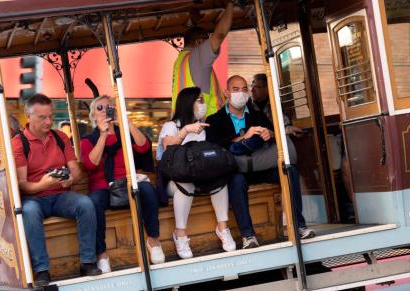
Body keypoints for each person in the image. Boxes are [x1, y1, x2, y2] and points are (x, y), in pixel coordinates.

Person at [12, 94, 100, 287]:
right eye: (42, 117)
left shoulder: (60, 137)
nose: (49, 121)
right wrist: (43, 184)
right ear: (29, 116)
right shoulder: (19, 143)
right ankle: (42, 270)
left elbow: (75, 170)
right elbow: (22, 184)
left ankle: (88, 262)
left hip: (60, 195)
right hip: (34, 197)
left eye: (50, 116)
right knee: (28, 212)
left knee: (86, 204)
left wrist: (70, 179)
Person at [81, 95, 165, 270]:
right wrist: (103, 135)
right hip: (103, 186)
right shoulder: (88, 140)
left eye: (109, 107)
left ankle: (153, 240)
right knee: (93, 203)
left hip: (127, 181)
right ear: (93, 116)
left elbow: (143, 147)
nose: (104, 111)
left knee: (148, 190)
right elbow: (91, 163)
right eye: (99, 108)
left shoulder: (124, 134)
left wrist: (126, 122)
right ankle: (101, 254)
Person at [158, 87, 236, 259]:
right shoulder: (171, 125)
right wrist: (186, 130)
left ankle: (223, 228)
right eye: (199, 100)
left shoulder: (204, 127)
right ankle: (180, 234)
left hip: (200, 176)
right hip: (174, 180)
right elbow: (167, 147)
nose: (203, 104)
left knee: (219, 180)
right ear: (188, 103)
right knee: (185, 185)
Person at [249, 73, 315, 238]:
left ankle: (297, 224)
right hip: (251, 161)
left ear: (266, 88)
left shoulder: (273, 105)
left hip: (270, 158)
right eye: (251, 87)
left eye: (255, 87)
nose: (252, 91)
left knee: (290, 171)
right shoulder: (248, 108)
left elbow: (281, 125)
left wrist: (288, 129)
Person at [171, 0, 235, 117]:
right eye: (206, 39)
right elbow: (219, 35)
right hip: (206, 124)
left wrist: (193, 22)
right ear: (200, 42)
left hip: (186, 122)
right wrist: (231, 4)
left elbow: (192, 34)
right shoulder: (196, 58)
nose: (208, 42)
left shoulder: (181, 60)